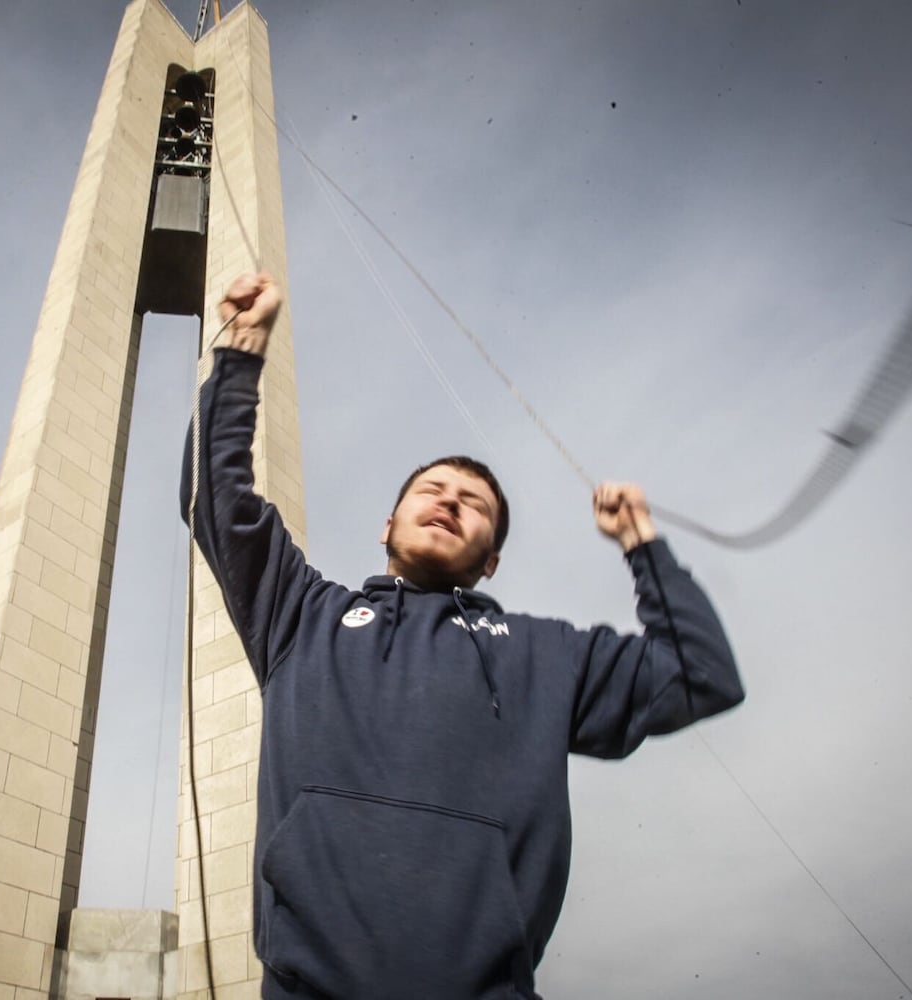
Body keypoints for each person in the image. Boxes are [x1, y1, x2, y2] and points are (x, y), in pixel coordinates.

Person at [182, 272, 745, 1000]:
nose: (449, 499)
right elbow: (215, 499)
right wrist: (243, 348)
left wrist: (643, 545)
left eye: (473, 503)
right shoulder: (302, 616)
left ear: (491, 558)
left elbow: (700, 673)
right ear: (386, 526)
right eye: (430, 491)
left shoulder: (548, 654)